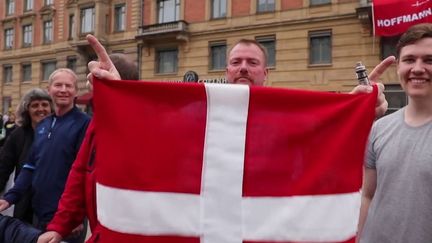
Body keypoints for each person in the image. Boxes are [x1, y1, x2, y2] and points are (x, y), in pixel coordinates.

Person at [39, 34, 392, 243]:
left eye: (252, 63)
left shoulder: (291, 118)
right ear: (226, 70)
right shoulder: (194, 114)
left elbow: (323, 142)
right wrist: (121, 97)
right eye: (236, 61)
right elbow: (141, 136)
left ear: (265, 73)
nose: (242, 68)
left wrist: (355, 108)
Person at [356, 23, 432, 242]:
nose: (418, 68)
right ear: (398, 66)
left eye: (429, 60)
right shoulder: (379, 128)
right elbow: (368, 196)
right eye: (409, 60)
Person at [0, 68, 91, 243]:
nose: (63, 89)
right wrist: (11, 197)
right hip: (39, 214)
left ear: (76, 91)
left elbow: (84, 174)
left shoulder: (84, 124)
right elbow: (30, 166)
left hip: (68, 219)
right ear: (49, 90)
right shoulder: (43, 125)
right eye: (58, 85)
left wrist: (77, 215)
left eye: (68, 85)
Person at [0, 88, 53, 224]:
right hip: (24, 202)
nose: (41, 109)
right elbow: (3, 167)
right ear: (26, 110)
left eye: (45, 104)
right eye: (35, 105)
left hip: (53, 204)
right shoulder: (18, 136)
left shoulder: (60, 132)